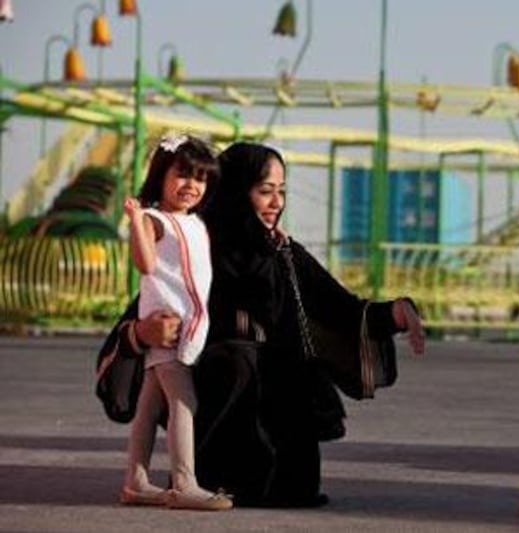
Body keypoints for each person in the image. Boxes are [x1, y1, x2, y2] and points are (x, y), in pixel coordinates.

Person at [105, 141, 425, 509]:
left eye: (281, 192)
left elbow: (342, 308)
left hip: (284, 428)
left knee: (285, 367)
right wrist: (143, 333)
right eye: (265, 191)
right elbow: (136, 322)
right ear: (238, 192)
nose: (277, 203)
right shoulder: (193, 247)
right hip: (218, 395)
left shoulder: (283, 252)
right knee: (234, 359)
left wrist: (398, 313)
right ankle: (186, 480)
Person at [119, 133, 232, 511]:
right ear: (160, 175)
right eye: (182, 175)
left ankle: (135, 481)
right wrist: (136, 220)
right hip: (166, 327)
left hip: (187, 327)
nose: (191, 185)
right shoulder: (155, 219)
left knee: (149, 407)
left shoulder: (196, 223)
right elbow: (146, 264)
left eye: (199, 178)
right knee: (184, 401)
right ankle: (184, 482)